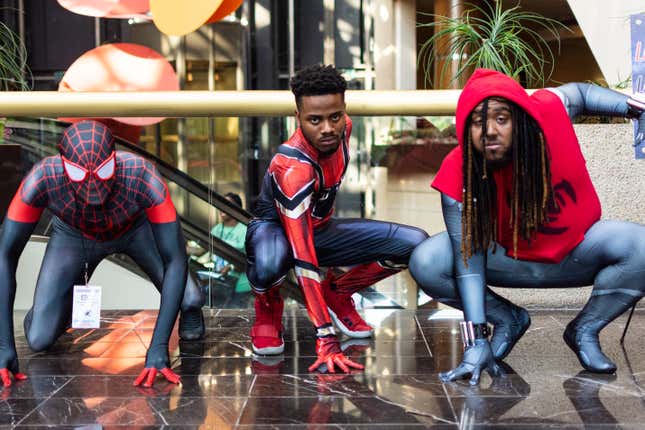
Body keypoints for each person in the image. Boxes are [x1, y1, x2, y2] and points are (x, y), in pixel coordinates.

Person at [409, 68, 645, 385]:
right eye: (478, 122)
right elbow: (469, 260)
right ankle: (508, 318)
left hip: (577, 251)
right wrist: (476, 339)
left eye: (501, 119)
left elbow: (582, 93)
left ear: (521, 119)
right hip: (509, 260)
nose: (489, 131)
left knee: (641, 246)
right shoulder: (459, 171)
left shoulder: (549, 110)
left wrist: (634, 107)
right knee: (427, 260)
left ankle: (585, 329)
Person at [246, 64, 428, 373]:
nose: (328, 128)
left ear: (344, 112)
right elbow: (304, 258)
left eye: (335, 116)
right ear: (298, 118)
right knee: (268, 263)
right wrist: (326, 336)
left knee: (415, 244)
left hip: (319, 229)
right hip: (275, 233)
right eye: (314, 120)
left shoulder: (346, 129)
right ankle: (267, 307)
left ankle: (340, 291)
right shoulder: (293, 168)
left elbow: (311, 240)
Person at [0, 120, 205, 387]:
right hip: (74, 235)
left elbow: (175, 259)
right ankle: (49, 308)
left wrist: (158, 346)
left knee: (188, 298)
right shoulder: (41, 178)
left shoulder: (141, 174)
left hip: (135, 229)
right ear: (63, 165)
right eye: (79, 174)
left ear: (115, 160)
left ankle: (193, 302)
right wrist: (3, 344)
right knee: (39, 338)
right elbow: (5, 255)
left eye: (102, 170)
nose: (92, 184)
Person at [210, 192, 252, 307]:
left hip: (241, 286)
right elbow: (204, 251)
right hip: (221, 283)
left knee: (234, 318)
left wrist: (231, 267)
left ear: (236, 209)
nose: (221, 208)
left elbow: (253, 258)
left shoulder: (245, 230)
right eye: (220, 204)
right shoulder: (216, 230)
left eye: (226, 204)